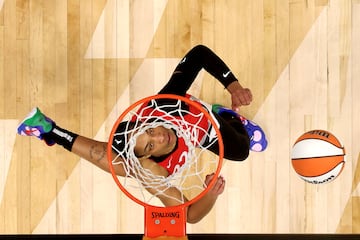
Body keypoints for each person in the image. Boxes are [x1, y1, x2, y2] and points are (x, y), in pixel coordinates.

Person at [17, 45, 267, 224]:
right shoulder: (150, 171)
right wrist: (211, 194)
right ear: (148, 157)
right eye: (149, 146)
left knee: (241, 148)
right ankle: (50, 130)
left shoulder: (164, 104)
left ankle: (228, 115)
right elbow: (188, 216)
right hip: (193, 138)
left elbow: (199, 54)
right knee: (123, 167)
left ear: (148, 122)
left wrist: (233, 86)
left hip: (196, 119)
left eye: (149, 131)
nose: (159, 138)